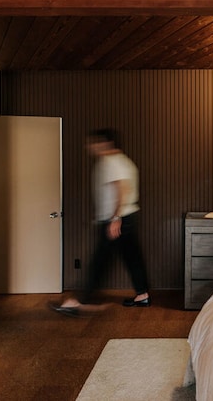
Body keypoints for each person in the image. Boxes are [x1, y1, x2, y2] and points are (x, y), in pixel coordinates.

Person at [51, 128, 150, 316]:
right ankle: (142, 294)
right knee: (132, 257)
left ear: (105, 143)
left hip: (117, 219)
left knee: (99, 261)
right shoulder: (124, 161)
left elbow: (121, 188)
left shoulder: (111, 162)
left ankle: (78, 301)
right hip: (127, 216)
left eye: (94, 143)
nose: (90, 147)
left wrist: (115, 219)